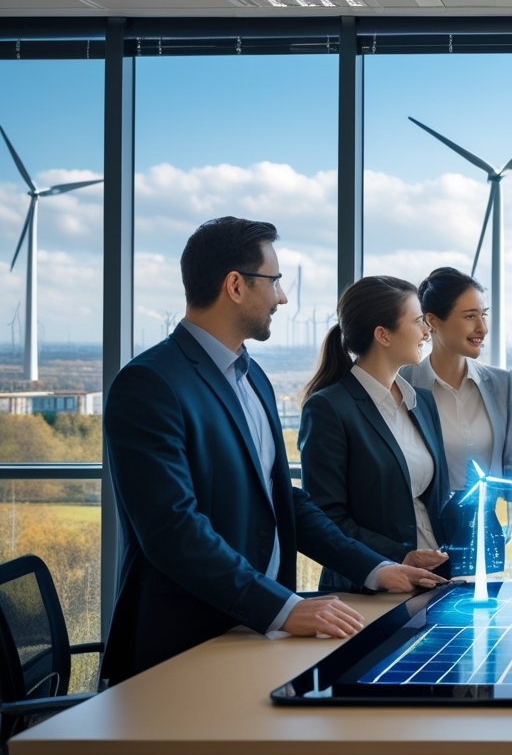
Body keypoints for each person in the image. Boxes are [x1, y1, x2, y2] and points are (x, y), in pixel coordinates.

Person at [102, 217, 443, 686]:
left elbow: (286, 500)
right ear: (236, 286)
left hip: (255, 635)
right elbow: (172, 530)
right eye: (275, 281)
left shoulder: (254, 378)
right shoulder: (150, 384)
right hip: (184, 644)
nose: (283, 298)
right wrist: (284, 609)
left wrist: (377, 567)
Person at [300, 275, 457, 588]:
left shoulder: (422, 402)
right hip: (365, 587)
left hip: (431, 581)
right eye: (418, 321)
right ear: (383, 335)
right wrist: (399, 556)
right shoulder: (329, 408)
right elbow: (327, 517)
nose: (427, 331)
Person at [401, 267, 512, 574]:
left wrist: (511, 515)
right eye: (469, 316)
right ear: (432, 321)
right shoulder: (403, 384)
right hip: (422, 533)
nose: (482, 326)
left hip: (486, 526)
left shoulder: (501, 383)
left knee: (486, 618)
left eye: (484, 314)